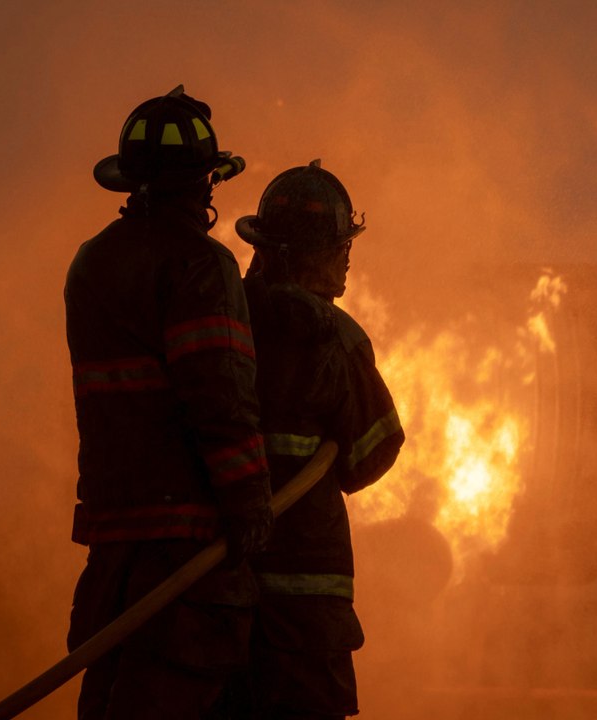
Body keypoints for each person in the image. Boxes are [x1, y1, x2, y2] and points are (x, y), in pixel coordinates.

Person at [63, 84, 272, 720]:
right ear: (203, 182)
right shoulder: (200, 266)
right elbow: (220, 397)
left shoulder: (91, 263)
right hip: (187, 553)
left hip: (114, 545)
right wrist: (249, 505)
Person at [233, 160, 405, 719]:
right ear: (305, 256)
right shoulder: (337, 340)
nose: (347, 258)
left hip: (217, 596)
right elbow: (374, 449)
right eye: (338, 247)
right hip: (307, 614)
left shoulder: (219, 321)